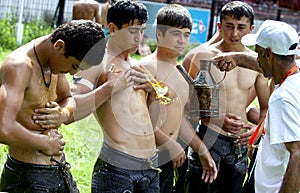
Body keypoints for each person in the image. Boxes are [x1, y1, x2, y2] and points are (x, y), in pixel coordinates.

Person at [0, 20, 106, 192]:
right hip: (26, 175)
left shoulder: (52, 61)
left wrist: (63, 114)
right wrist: (43, 143)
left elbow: (67, 97)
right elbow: (2, 127)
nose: (72, 73)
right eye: (73, 66)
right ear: (59, 46)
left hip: (58, 167)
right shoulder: (19, 67)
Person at [70, 1, 159, 192]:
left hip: (150, 168)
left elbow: (151, 120)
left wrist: (153, 93)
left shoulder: (137, 66)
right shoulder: (97, 62)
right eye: (133, 31)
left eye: (142, 30)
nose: (139, 37)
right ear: (112, 28)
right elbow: (72, 108)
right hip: (117, 168)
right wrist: (110, 87)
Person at [182, 1, 270, 193]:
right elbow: (186, 105)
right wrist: (217, 119)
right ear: (220, 26)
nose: (235, 33)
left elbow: (266, 106)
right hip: (209, 139)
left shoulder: (257, 63)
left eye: (241, 27)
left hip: (239, 148)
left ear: (251, 29)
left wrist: (256, 133)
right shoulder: (204, 55)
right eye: (229, 26)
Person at [214, 19, 300, 193]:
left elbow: (298, 154)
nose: (257, 58)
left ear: (268, 54)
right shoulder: (294, 77)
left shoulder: (282, 97)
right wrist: (237, 58)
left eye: (259, 53)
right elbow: (265, 65)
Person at [138, 4, 218, 193]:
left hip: (168, 159)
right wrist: (170, 144)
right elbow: (138, 119)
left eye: (186, 34)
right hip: (145, 158)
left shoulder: (180, 75)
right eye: (176, 34)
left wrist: (202, 149)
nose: (182, 40)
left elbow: (178, 119)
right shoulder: (147, 68)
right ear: (159, 34)